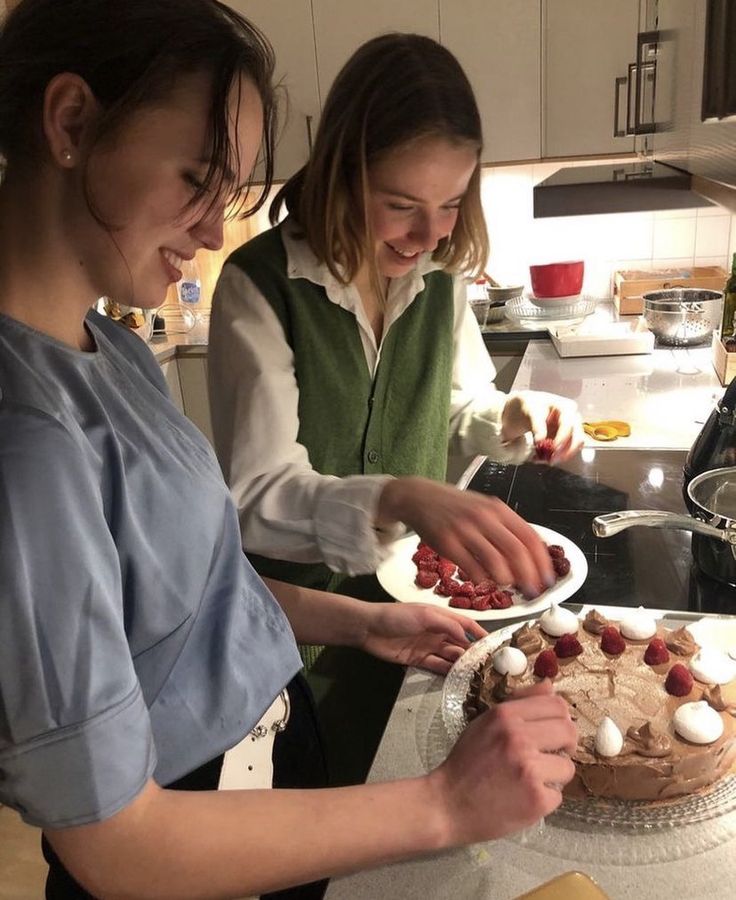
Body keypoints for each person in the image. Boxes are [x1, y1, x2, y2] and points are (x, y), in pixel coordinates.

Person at [0, 2, 578, 899]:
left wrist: (363, 621)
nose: (208, 229)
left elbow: (185, 591)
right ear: (72, 122)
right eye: (199, 177)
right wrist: (445, 807)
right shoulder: (28, 436)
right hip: (198, 822)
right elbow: (116, 846)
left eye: (226, 192)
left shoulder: (107, 351)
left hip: (271, 748)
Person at [207, 32, 584, 784]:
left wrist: (509, 417)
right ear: (343, 175)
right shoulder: (260, 286)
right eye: (402, 204)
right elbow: (255, 497)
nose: (431, 233)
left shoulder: (438, 278)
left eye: (451, 203)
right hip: (299, 633)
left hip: (421, 618)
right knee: (321, 807)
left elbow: (458, 402)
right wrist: (400, 495)